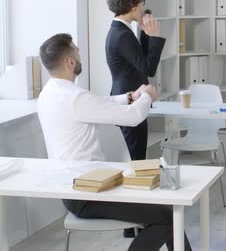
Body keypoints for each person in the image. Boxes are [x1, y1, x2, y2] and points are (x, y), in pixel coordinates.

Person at [37, 33, 192, 251]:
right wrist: (147, 95)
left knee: (165, 210)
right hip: (89, 192)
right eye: (76, 49)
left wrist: (130, 96)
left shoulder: (50, 94)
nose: (80, 52)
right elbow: (132, 117)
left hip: (78, 188)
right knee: (169, 216)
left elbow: (97, 104)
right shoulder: (75, 98)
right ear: (70, 62)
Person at [105, 0, 165, 161]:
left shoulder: (121, 30)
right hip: (129, 101)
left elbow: (140, 61)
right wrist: (155, 36)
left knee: (135, 156)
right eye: (141, 2)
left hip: (130, 99)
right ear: (132, 6)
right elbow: (149, 69)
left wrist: (146, 34)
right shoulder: (122, 34)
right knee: (136, 159)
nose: (143, 7)